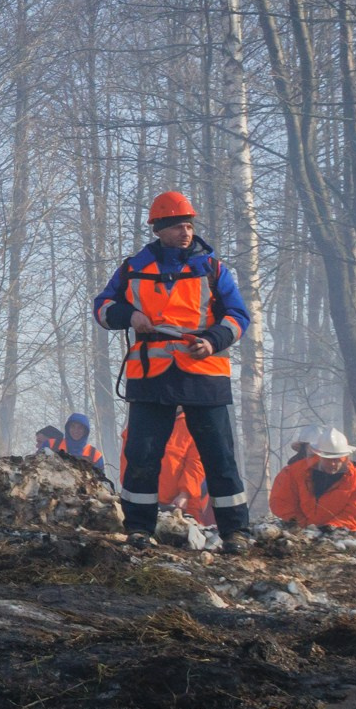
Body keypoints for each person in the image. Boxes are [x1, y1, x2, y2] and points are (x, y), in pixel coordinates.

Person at [93, 190, 255, 549]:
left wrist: (212, 340)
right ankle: (138, 529)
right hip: (151, 375)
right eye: (179, 226)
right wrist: (129, 315)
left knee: (219, 455)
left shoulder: (212, 269)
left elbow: (238, 316)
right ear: (159, 229)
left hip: (204, 373)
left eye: (189, 226)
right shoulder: (133, 268)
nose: (186, 232)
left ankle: (236, 532)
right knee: (142, 455)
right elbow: (102, 307)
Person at [270, 427, 356, 531]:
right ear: (318, 455)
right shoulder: (295, 472)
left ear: (345, 456)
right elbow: (282, 502)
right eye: (328, 459)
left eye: (337, 459)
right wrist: (302, 525)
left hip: (339, 535)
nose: (333, 464)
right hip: (298, 532)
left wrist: (330, 528)